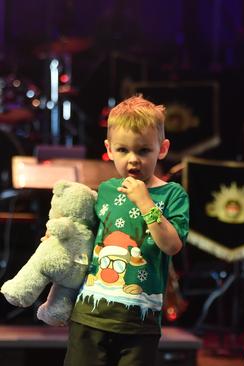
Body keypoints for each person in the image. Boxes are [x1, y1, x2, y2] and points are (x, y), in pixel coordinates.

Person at [64, 95, 189, 366]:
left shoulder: (172, 194)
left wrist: (146, 202)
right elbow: (87, 235)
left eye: (143, 151)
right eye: (123, 150)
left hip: (139, 320)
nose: (133, 160)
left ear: (162, 149)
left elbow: (172, 245)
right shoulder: (106, 190)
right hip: (90, 314)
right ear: (108, 149)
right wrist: (60, 237)